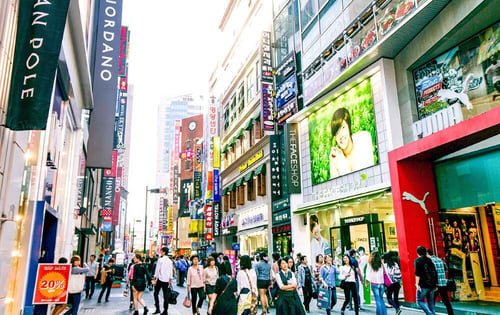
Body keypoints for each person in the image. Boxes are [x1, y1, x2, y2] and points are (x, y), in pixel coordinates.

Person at [329, 107, 375, 178]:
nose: (340, 135)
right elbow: (334, 186)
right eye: (337, 132)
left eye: (343, 128)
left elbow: (369, 174)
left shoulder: (363, 138)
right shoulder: (338, 157)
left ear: (349, 127)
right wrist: (333, 165)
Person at [427, 248, 454, 315]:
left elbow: (432, 273)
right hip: (443, 283)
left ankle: (430, 313)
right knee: (446, 300)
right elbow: (446, 269)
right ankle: (451, 313)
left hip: (436, 284)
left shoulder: (430, 261)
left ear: (427, 254)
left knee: (431, 300)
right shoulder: (440, 260)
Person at [414, 246, 438, 315]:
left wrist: (417, 283)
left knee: (419, 301)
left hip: (423, 284)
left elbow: (417, 273)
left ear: (417, 253)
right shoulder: (429, 260)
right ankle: (432, 313)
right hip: (432, 284)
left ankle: (430, 314)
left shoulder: (418, 260)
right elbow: (434, 272)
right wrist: (436, 284)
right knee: (431, 302)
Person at [153, 247, 174, 315]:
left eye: (161, 251)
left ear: (164, 252)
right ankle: (165, 310)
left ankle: (157, 308)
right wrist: (170, 279)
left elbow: (157, 269)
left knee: (156, 293)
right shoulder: (170, 261)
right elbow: (171, 271)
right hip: (167, 280)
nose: (160, 252)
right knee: (166, 296)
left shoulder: (160, 260)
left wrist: (155, 277)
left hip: (160, 279)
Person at [365, 251, 387, 315]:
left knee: (377, 300)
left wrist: (366, 283)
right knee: (381, 299)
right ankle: (384, 313)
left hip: (374, 284)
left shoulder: (370, 264)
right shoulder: (381, 264)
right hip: (382, 284)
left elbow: (368, 274)